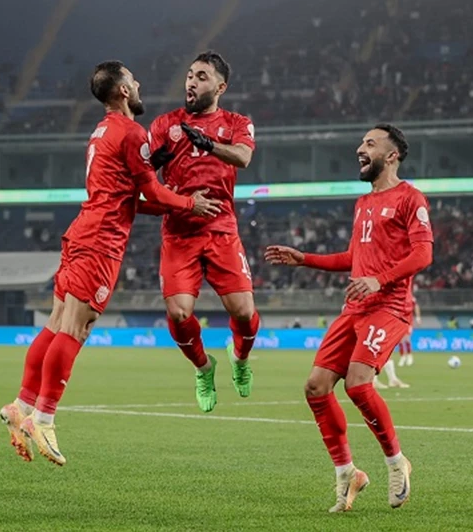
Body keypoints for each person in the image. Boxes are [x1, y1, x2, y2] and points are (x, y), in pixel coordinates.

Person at [0, 60, 220, 466]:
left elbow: (130, 196)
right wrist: (189, 201)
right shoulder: (131, 132)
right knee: (75, 328)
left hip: (82, 232)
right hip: (101, 241)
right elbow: (150, 187)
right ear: (121, 91)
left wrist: (166, 208)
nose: (138, 85)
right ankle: (43, 418)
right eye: (133, 81)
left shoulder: (100, 131)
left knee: (57, 323)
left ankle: (20, 405)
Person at [265, 124, 433, 511]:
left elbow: (423, 254)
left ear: (391, 155)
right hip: (354, 308)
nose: (360, 148)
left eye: (370, 144)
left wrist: (381, 280)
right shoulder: (363, 203)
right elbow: (353, 259)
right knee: (316, 387)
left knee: (358, 384)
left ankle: (396, 463)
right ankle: (348, 474)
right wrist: (305, 258)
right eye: (361, 142)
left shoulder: (411, 198)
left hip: (389, 307)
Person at [147, 51, 259, 412]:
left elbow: (243, 157)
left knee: (243, 311)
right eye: (190, 75)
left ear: (220, 86)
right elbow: (141, 175)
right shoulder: (165, 124)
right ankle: (203, 367)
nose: (192, 82)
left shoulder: (237, 122)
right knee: (179, 313)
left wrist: (208, 144)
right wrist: (154, 165)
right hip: (179, 231)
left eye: (202, 77)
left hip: (221, 227)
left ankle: (239, 359)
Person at [397, 296, 421, 367]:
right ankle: (402, 356)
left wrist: (418, 317)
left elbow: (416, 307)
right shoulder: (399, 296)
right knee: (400, 340)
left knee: (407, 339)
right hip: (399, 321)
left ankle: (409, 356)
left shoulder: (411, 298)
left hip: (408, 321)